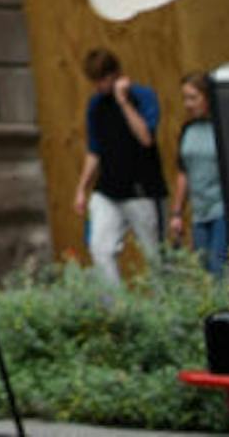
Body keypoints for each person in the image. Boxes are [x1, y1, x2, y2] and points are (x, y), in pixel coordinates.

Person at [71, 47, 164, 286]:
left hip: (141, 188)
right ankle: (114, 308)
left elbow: (145, 138)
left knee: (154, 255)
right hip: (108, 188)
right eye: (95, 81)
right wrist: (82, 188)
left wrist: (123, 102)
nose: (99, 86)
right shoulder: (96, 105)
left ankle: (164, 308)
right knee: (100, 248)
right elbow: (95, 150)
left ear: (115, 75)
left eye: (102, 80)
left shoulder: (142, 96)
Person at [166, 71, 225, 275]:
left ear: (207, 97)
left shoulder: (222, 127)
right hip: (199, 212)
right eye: (185, 98)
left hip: (221, 209)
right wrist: (177, 213)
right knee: (203, 268)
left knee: (219, 266)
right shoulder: (188, 129)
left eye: (193, 98)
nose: (188, 104)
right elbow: (184, 172)